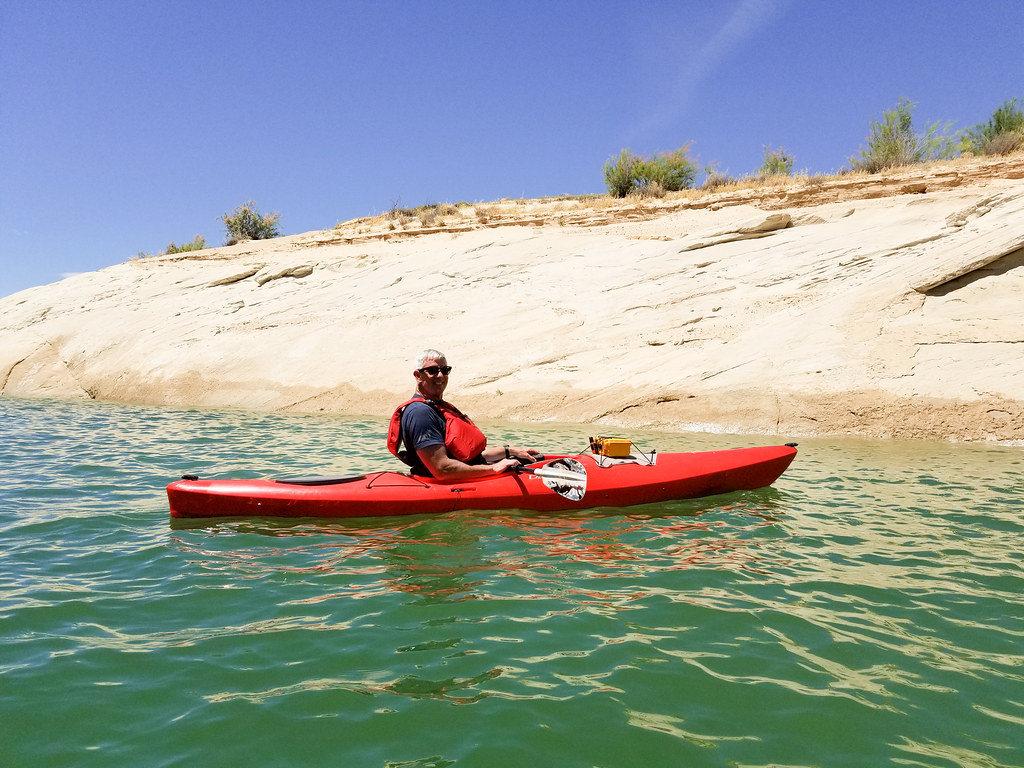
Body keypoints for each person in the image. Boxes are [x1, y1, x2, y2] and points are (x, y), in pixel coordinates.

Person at [388, 349, 543, 479]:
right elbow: (442, 468)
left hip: (461, 475)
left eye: (445, 370)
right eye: (433, 371)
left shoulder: (437, 407)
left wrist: (511, 451)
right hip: (445, 484)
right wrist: (494, 468)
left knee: (538, 459)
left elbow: (468, 456)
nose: (441, 375)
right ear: (418, 376)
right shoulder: (420, 413)